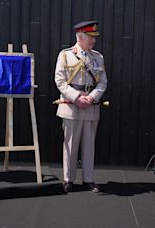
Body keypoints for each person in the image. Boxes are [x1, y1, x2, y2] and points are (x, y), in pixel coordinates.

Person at [54, 21, 107, 193]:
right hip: (71, 106)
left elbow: (103, 82)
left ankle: (88, 179)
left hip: (90, 107)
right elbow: (60, 81)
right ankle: (68, 179)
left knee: (89, 144)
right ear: (80, 37)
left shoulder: (98, 57)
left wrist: (91, 98)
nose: (93, 41)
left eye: (94, 38)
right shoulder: (65, 55)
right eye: (90, 37)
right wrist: (76, 97)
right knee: (70, 144)